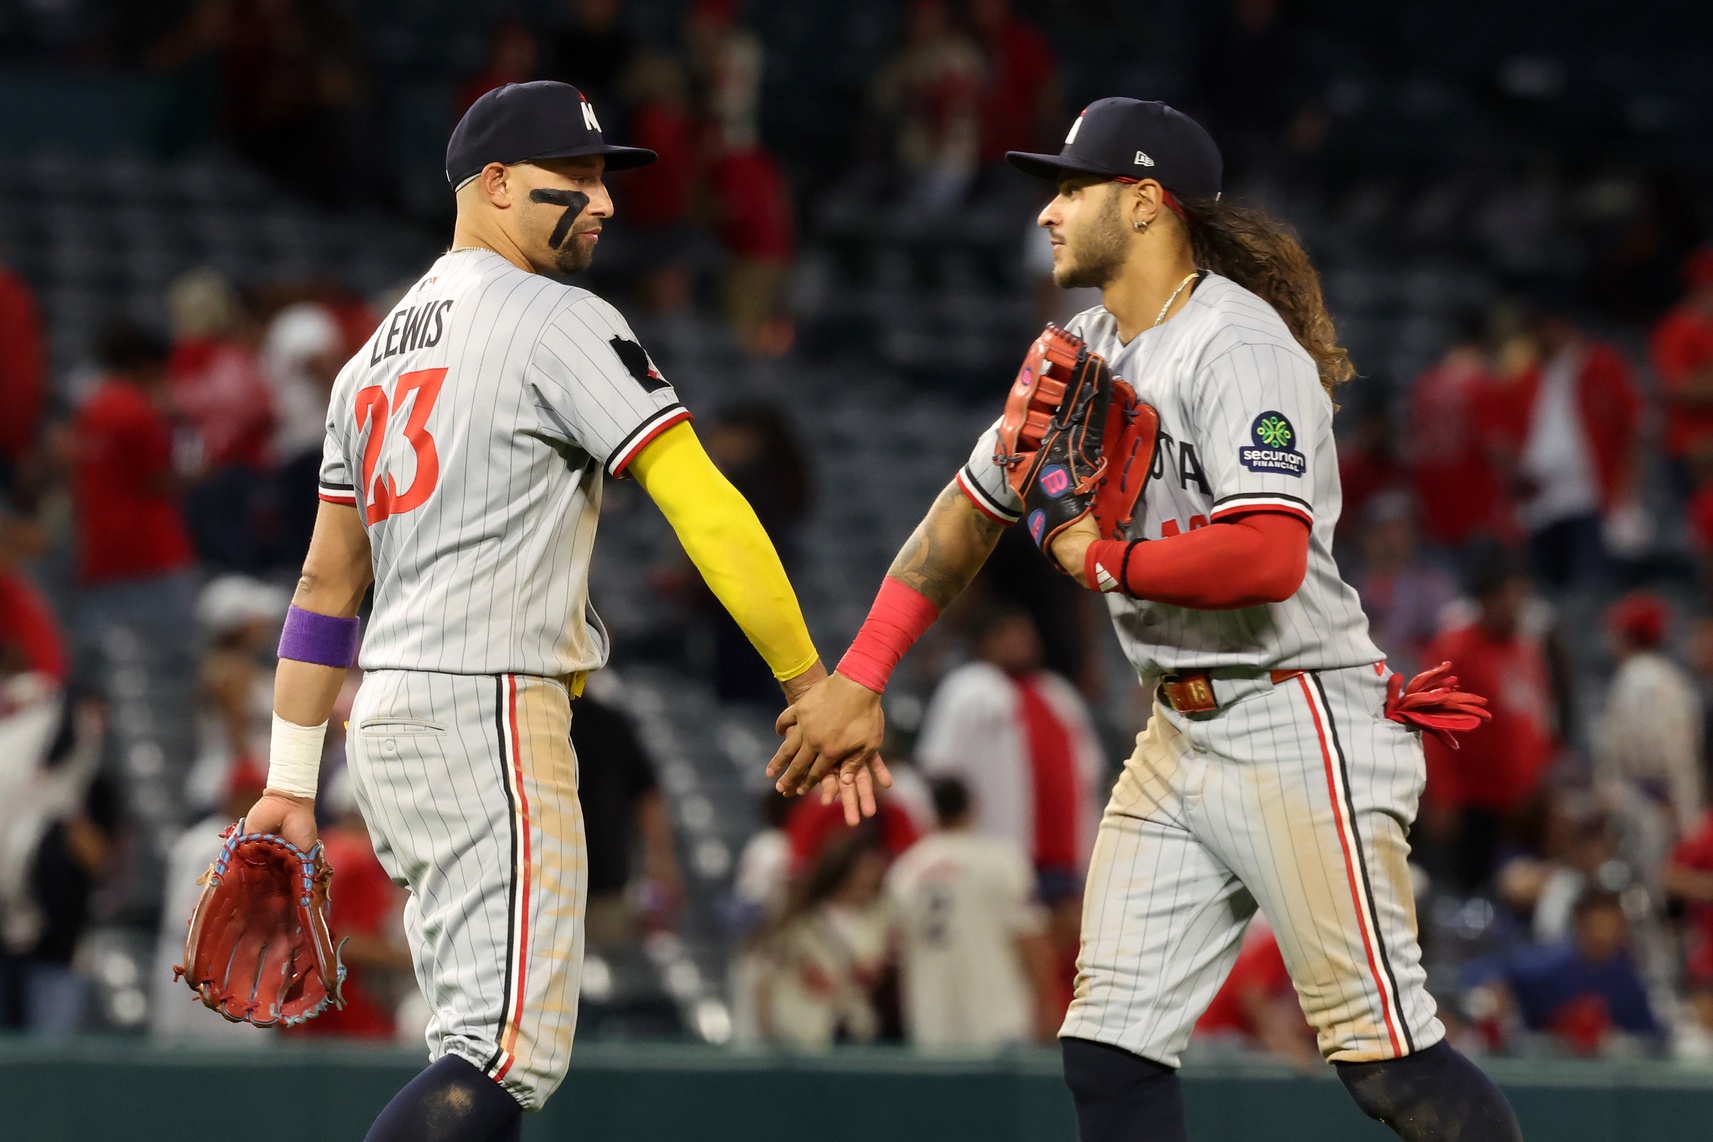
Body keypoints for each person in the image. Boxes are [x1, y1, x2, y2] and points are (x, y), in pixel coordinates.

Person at [771, 99, 1521, 1141]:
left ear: (1144, 202)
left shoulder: (1238, 345)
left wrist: (1103, 558)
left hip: (1296, 719)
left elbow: (1268, 555)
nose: (1048, 211)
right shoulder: (1086, 350)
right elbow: (967, 511)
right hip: (1179, 732)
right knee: (1107, 1049)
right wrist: (861, 674)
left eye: (1071, 188)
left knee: (1388, 1064)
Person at [237, 81, 872, 1141]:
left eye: (603, 178)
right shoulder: (557, 319)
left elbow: (324, 588)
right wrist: (809, 680)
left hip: (390, 719)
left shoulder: (371, 357)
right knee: (505, 1056)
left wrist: (290, 780)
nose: (603, 201)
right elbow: (703, 502)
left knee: (468, 1045)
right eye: (572, 177)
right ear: (492, 184)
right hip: (487, 703)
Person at [915, 605, 1105, 880]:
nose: (1021, 642)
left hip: (1066, 857)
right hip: (992, 852)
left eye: (1026, 634)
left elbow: (1090, 768)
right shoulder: (967, 689)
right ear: (986, 641)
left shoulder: (1058, 693)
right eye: (1009, 634)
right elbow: (940, 770)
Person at [1420, 551, 1558, 894]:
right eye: (1507, 595)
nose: (1515, 604)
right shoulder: (1455, 649)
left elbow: (1536, 715)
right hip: (1472, 800)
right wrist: (1443, 795)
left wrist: (1540, 772)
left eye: (1521, 594)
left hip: (1520, 802)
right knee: (1471, 892)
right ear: (1484, 598)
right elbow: (1433, 723)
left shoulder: (1525, 648)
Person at [887, 776, 1058, 1048]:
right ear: (971, 808)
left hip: (931, 1024)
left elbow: (896, 950)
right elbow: (1029, 939)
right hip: (997, 1022)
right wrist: (1047, 1004)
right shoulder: (1001, 861)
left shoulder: (904, 871)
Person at [568, 676, 683, 946]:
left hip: (604, 888)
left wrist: (661, 860)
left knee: (610, 958)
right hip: (540, 887)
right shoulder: (525, 723)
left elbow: (646, 795)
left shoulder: (608, 723)